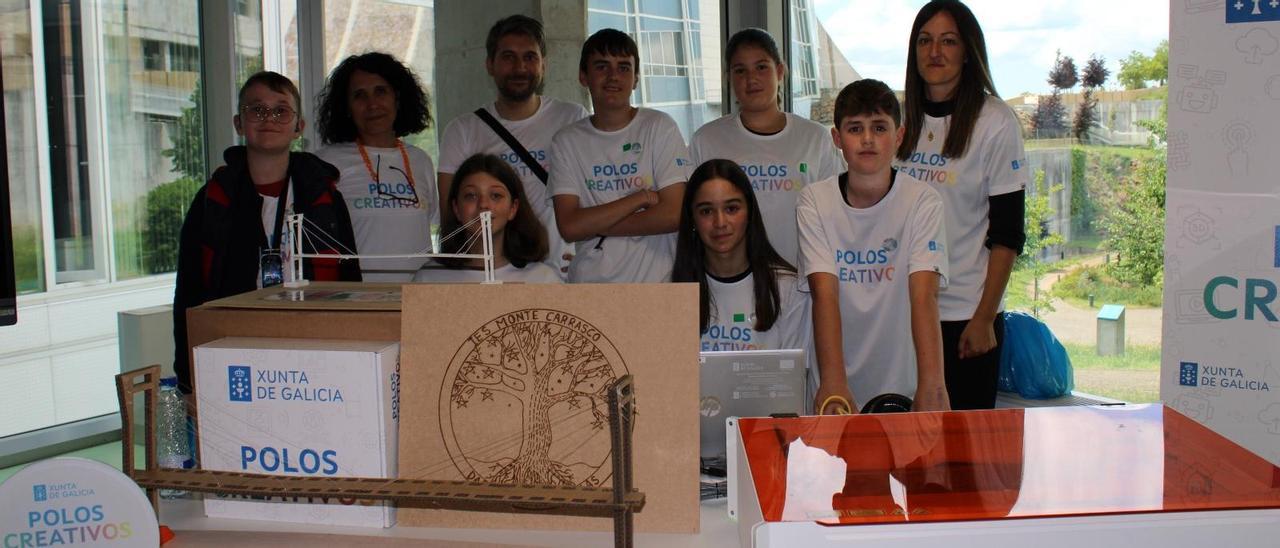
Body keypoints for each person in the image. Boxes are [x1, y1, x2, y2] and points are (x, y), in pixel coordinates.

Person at [173, 71, 361, 393]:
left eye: (280, 110)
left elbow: (350, 278)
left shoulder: (325, 198)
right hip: (235, 349)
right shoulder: (213, 200)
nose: (268, 119)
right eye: (256, 110)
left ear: (298, 126)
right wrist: (187, 377)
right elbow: (188, 292)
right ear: (238, 123)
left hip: (315, 349)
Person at [895, 0, 1027, 410]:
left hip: (967, 316)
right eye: (925, 40)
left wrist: (985, 317)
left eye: (948, 41)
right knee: (902, 452)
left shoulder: (995, 121)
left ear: (968, 51)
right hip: (904, 313)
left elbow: (1007, 234)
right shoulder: (898, 120)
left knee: (962, 456)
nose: (935, 52)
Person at [796, 79, 949, 415]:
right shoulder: (814, 201)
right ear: (837, 138)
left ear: (899, 136)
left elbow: (924, 296)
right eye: (855, 128)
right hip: (835, 388)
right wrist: (834, 381)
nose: (867, 139)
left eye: (879, 127)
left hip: (903, 386)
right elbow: (825, 293)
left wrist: (933, 386)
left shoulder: (923, 201)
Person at [437, 15, 588, 277]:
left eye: (530, 57)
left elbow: (592, 193)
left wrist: (587, 253)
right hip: (497, 276)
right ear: (490, 65)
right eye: (508, 57)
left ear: (544, 65)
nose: (520, 67)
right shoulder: (462, 130)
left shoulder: (572, 118)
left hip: (565, 271)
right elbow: (452, 216)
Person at [688, 28, 841, 266]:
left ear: (780, 71)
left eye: (761, 67)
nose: (751, 79)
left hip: (802, 283)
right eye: (740, 70)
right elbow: (693, 217)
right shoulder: (706, 140)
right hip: (728, 282)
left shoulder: (815, 138)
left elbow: (837, 214)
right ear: (729, 78)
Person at [548, 28, 689, 283]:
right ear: (583, 76)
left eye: (624, 67)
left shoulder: (659, 127)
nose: (613, 76)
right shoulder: (566, 141)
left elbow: (674, 213)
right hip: (591, 287)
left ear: (636, 78)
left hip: (659, 287)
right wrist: (640, 198)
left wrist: (593, 224)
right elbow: (569, 227)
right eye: (602, 66)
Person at [316, 52, 438, 282]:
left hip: (417, 302)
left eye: (381, 91)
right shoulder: (327, 162)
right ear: (347, 108)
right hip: (356, 302)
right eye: (359, 96)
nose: (372, 104)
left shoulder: (421, 161)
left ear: (398, 98)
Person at [672, 159, 809, 353]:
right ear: (692, 218)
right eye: (706, 211)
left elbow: (794, 377)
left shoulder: (789, 290)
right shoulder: (673, 294)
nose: (720, 222)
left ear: (750, 212)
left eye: (731, 209)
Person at [414, 154, 560, 284]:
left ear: (513, 208)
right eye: (471, 195)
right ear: (456, 208)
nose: (483, 204)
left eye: (496, 195)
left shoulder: (543, 279)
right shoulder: (428, 279)